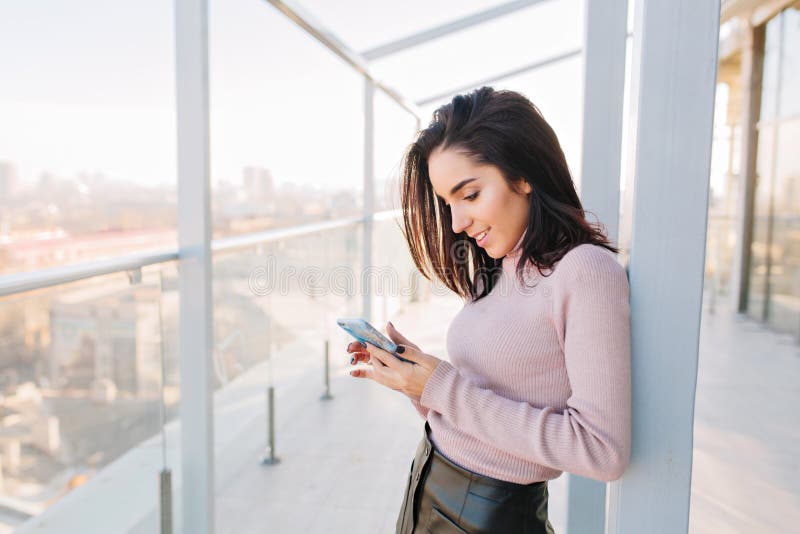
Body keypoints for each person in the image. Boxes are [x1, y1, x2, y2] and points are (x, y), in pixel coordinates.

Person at [346, 86, 631, 533]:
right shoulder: (497, 268)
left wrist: (442, 386)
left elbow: (601, 450)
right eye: (448, 203)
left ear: (524, 175)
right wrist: (416, 382)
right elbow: (476, 404)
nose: (457, 222)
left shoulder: (586, 272)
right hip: (428, 485)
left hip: (489, 514)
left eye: (471, 195)